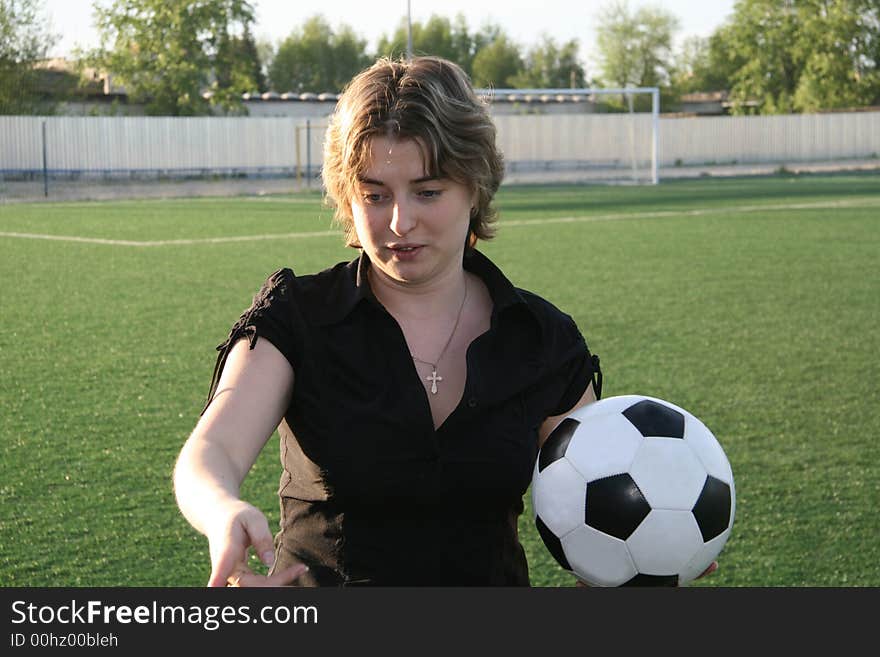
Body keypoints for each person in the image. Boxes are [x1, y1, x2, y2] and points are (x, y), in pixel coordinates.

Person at [172, 55, 603, 587]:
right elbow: (211, 451)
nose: (400, 222)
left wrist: (641, 562)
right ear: (347, 199)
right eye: (375, 195)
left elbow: (596, 507)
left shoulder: (540, 338)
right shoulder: (299, 317)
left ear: (475, 186)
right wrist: (220, 509)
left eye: (428, 191)